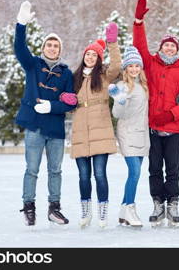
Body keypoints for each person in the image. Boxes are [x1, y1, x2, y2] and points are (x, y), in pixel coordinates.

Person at [132, 0, 179, 227]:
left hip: (173, 128)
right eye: (166, 44)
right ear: (161, 47)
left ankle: (173, 204)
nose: (169, 47)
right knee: (154, 168)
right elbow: (139, 47)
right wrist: (138, 22)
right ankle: (158, 204)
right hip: (152, 128)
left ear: (177, 50)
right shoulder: (151, 63)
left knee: (173, 169)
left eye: (173, 45)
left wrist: (169, 115)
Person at [14, 1, 77, 226]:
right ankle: (29, 206)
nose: (52, 48)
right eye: (49, 45)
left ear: (60, 50)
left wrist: (52, 106)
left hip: (56, 130)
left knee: (55, 171)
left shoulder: (66, 73)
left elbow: (71, 102)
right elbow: (19, 49)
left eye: (56, 46)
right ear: (43, 48)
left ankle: (54, 208)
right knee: (32, 170)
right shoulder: (33, 65)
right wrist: (21, 25)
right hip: (35, 127)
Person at [68, 22, 121, 228]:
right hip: (81, 132)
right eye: (88, 54)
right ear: (84, 57)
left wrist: (112, 43)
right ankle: (85, 212)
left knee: (100, 174)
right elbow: (68, 101)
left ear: (99, 59)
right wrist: (66, 100)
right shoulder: (75, 78)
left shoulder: (104, 75)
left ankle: (102, 212)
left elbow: (117, 64)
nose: (90, 57)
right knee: (83, 176)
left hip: (101, 130)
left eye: (94, 55)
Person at [109, 46, 150, 228]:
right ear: (125, 69)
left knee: (135, 174)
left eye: (137, 66)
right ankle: (130, 208)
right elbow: (117, 113)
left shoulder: (143, 86)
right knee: (134, 172)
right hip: (127, 133)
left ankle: (123, 210)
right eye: (130, 66)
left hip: (142, 134)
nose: (134, 69)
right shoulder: (121, 86)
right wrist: (120, 101)